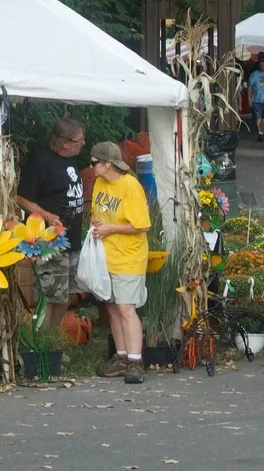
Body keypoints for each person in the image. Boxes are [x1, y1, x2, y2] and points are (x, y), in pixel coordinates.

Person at [87, 143, 153, 384]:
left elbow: (142, 225)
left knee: (126, 307)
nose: (91, 167)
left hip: (129, 256)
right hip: (106, 255)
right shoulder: (100, 184)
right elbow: (99, 213)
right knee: (112, 307)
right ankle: (122, 356)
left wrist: (111, 228)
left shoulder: (130, 186)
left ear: (108, 164)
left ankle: (136, 361)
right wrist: (96, 223)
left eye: (94, 163)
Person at [16, 118, 87, 329]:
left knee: (66, 296)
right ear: (64, 143)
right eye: (79, 140)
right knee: (49, 297)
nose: (83, 143)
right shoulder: (42, 162)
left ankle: (51, 339)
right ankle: (42, 349)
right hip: (50, 242)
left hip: (72, 240)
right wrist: (47, 215)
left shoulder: (71, 161)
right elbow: (20, 198)